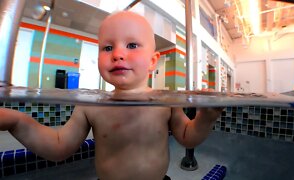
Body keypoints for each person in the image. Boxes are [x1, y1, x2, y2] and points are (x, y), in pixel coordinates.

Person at [0, 11, 222, 180]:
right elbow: (59, 147)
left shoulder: (165, 101)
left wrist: (205, 118)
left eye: (132, 45)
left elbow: (187, 136)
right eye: (107, 48)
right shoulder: (92, 105)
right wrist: (18, 122)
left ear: (153, 61)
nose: (117, 54)